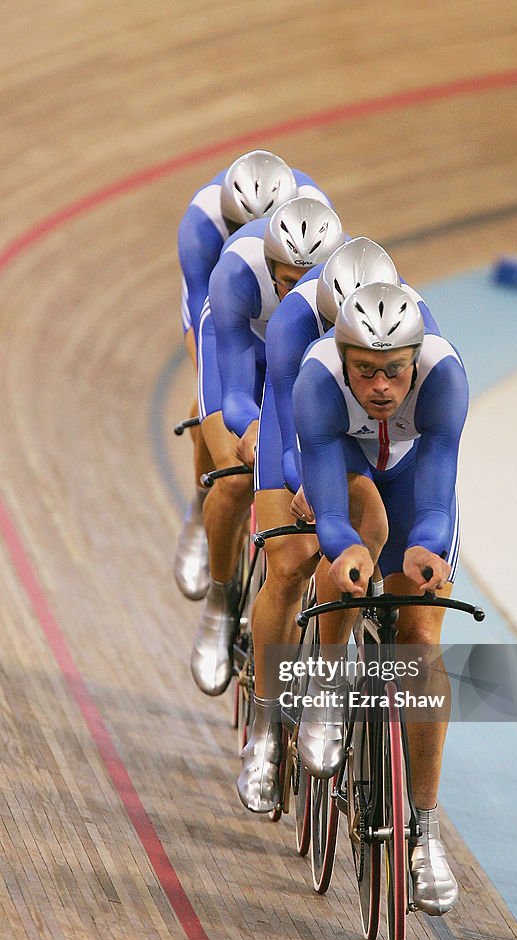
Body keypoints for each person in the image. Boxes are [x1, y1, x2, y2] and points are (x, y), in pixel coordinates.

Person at [237, 238, 441, 813]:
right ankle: (266, 729)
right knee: (291, 560)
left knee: (416, 616)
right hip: (310, 433)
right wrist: (304, 484)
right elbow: (289, 423)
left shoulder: (424, 342)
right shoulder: (296, 329)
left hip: (385, 446)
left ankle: (422, 824)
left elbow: (432, 448)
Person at [292, 282, 468, 915]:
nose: (383, 387)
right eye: (365, 371)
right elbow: (330, 506)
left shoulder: (444, 375)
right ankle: (329, 689)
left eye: (395, 370)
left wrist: (425, 544)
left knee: (420, 640)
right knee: (348, 565)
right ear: (342, 359)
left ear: (415, 359)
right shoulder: (315, 379)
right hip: (350, 473)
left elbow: (439, 485)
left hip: (415, 481)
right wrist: (343, 550)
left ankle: (425, 831)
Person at [191, 197, 344, 697]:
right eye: (287, 276)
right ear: (269, 264)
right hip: (241, 352)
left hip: (299, 361)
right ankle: (220, 600)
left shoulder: (341, 289)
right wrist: (251, 426)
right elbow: (236, 390)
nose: (298, 286)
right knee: (236, 476)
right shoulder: (236, 272)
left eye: (309, 273)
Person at [174, 150, 330, 601]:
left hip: (291, 340)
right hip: (227, 325)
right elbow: (208, 332)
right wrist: (215, 411)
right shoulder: (204, 227)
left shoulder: (314, 220)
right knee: (235, 471)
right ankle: (205, 523)